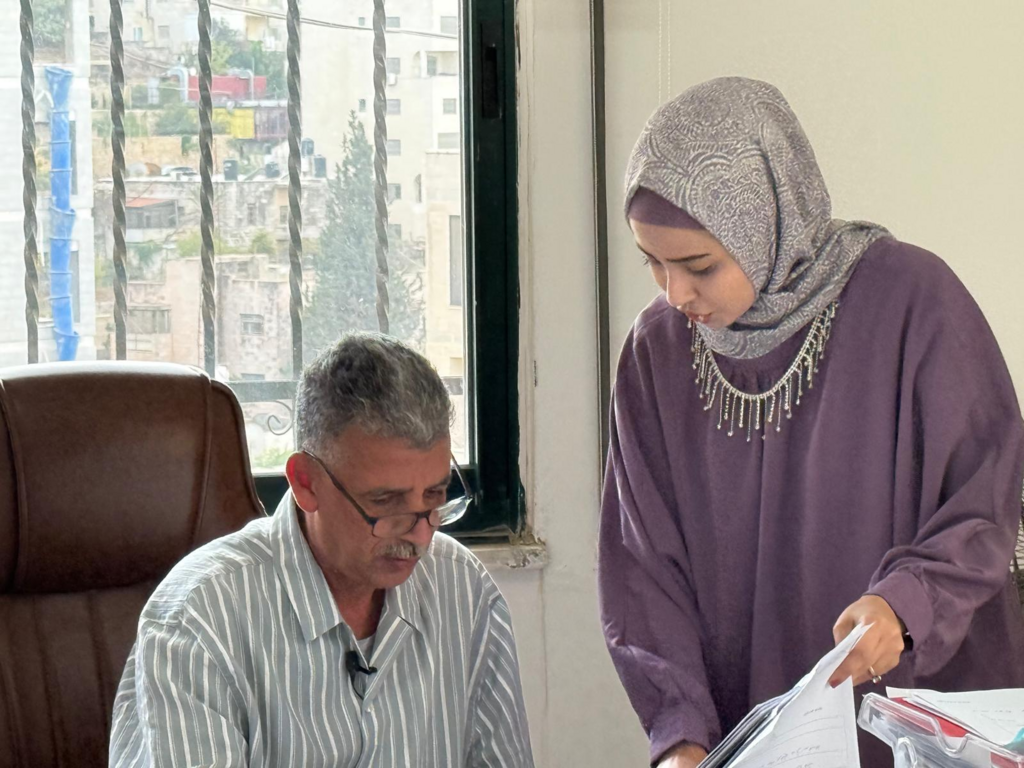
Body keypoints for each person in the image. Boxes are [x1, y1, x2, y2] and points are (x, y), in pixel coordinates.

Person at [598, 77, 1024, 768]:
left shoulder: (914, 304)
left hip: (919, 720)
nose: (676, 295)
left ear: (770, 216)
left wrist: (905, 607)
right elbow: (642, 571)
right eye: (653, 263)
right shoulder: (656, 353)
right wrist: (679, 735)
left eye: (698, 265)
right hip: (751, 740)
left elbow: (986, 499)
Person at [110, 333, 534, 767]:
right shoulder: (200, 619)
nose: (419, 537)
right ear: (305, 483)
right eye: (385, 504)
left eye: (435, 497)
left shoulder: (462, 588)